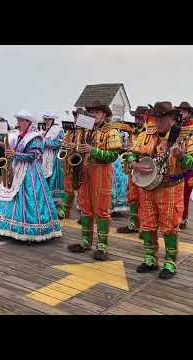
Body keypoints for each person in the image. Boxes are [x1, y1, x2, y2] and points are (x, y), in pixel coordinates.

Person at [124, 101, 193, 279]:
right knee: (148, 224)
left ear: (172, 118)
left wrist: (181, 157)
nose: (157, 121)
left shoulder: (185, 136)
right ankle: (150, 259)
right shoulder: (145, 134)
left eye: (161, 118)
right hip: (147, 188)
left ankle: (170, 262)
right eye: (156, 117)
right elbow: (130, 154)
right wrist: (135, 163)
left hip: (171, 187)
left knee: (170, 226)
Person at [0, 111, 62, 242]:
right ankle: (10, 224)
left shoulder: (36, 137)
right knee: (12, 194)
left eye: (21, 121)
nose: (18, 123)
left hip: (31, 173)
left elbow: (34, 155)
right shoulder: (18, 135)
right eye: (18, 120)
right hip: (18, 169)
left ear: (28, 123)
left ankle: (30, 227)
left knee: (31, 198)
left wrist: (15, 154)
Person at [66, 100, 122, 261]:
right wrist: (73, 147)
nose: (93, 115)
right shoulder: (84, 129)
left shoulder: (110, 131)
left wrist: (93, 150)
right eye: (91, 112)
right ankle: (85, 241)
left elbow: (113, 156)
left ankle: (102, 246)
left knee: (102, 209)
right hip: (84, 169)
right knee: (85, 206)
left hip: (102, 171)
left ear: (105, 114)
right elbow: (78, 148)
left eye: (97, 112)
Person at [117, 106, 151, 234]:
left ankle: (145, 228)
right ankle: (133, 224)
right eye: (136, 117)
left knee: (144, 199)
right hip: (133, 169)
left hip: (144, 169)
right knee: (132, 196)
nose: (137, 120)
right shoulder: (135, 131)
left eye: (139, 118)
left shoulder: (149, 132)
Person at [58, 108, 83, 220]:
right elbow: (64, 141)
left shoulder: (86, 131)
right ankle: (64, 211)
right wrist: (64, 144)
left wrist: (74, 146)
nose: (76, 118)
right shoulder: (70, 130)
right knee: (68, 186)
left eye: (78, 116)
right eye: (75, 116)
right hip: (69, 160)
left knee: (82, 188)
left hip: (81, 161)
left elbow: (86, 145)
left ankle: (84, 212)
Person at [40, 112, 65, 207]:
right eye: (45, 119)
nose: (46, 121)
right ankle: (45, 200)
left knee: (53, 180)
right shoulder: (43, 130)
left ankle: (55, 202)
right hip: (44, 157)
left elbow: (59, 143)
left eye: (48, 119)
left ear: (52, 120)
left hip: (54, 159)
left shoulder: (58, 130)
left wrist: (45, 142)